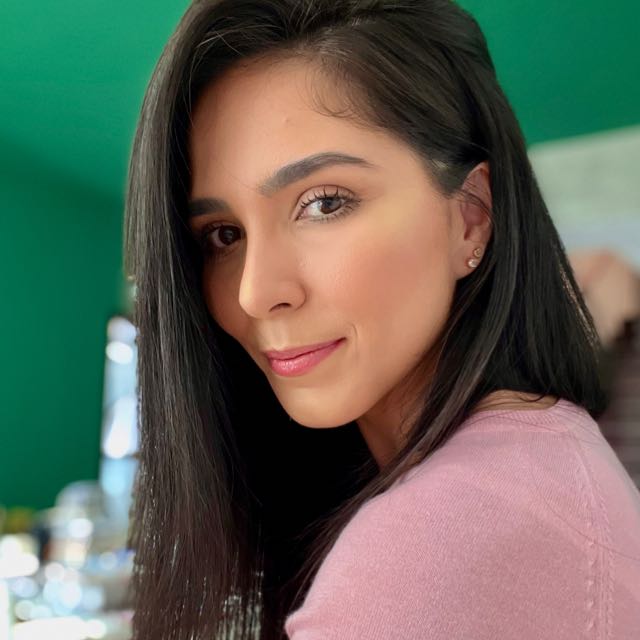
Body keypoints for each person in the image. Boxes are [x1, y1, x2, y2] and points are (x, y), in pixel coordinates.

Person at [123, 1, 640, 638]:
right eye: (223, 235)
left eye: (324, 203)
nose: (255, 293)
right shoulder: (546, 458)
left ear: (470, 216)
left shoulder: (434, 544)